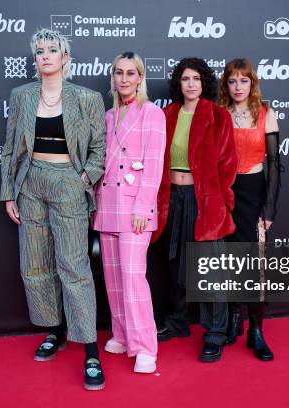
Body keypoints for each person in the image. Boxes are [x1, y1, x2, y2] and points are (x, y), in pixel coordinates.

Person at [0, 28, 106, 390]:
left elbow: (99, 150)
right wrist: (9, 193)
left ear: (64, 58)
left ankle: (90, 350)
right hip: (31, 183)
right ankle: (54, 331)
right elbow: (11, 148)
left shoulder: (87, 98)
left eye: (52, 50)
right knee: (36, 264)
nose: (45, 55)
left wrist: (83, 180)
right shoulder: (22, 96)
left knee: (73, 266)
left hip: (67, 182)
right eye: (39, 50)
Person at [152, 57, 237, 362]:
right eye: (186, 79)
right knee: (175, 265)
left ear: (204, 84)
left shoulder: (217, 116)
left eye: (196, 79)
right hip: (172, 197)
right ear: (179, 83)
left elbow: (228, 166)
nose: (191, 84)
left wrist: (222, 204)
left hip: (205, 200)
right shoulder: (167, 114)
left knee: (209, 269)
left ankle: (215, 332)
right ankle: (177, 322)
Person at [93, 52, 166, 374]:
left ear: (140, 78)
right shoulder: (108, 117)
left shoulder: (151, 113)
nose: (124, 79)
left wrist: (143, 207)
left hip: (135, 206)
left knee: (133, 278)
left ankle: (146, 346)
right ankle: (121, 334)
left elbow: (154, 165)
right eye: (118, 73)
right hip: (107, 203)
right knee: (113, 277)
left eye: (130, 73)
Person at [218, 58, 282, 362]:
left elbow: (273, 164)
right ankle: (234, 320)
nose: (238, 86)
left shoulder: (266, 114)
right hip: (224, 192)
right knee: (229, 258)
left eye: (244, 80)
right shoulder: (219, 114)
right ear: (226, 85)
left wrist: (269, 209)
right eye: (233, 80)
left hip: (254, 191)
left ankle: (256, 329)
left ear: (252, 83)